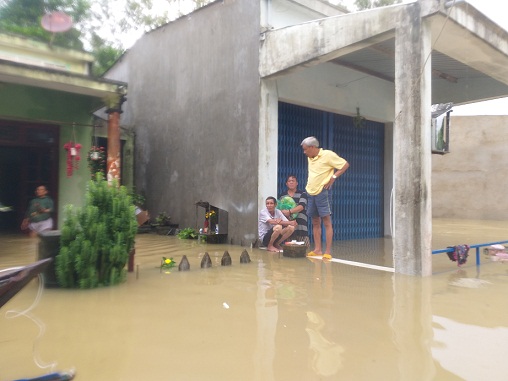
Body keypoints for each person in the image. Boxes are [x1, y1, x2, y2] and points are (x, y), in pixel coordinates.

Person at [301, 136, 349, 260]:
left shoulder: (327, 155)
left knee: (326, 222)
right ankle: (317, 250)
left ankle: (327, 251)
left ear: (312, 147)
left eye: (306, 149)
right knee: (315, 221)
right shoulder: (310, 157)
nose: (304, 152)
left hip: (322, 192)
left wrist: (333, 177)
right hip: (310, 191)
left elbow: (344, 164)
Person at [279, 175, 309, 245]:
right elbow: (280, 209)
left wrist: (289, 212)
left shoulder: (302, 194)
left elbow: (301, 206)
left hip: (301, 225)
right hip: (288, 226)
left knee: (304, 248)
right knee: (289, 248)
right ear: (286, 183)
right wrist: (285, 214)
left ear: (297, 183)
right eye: (289, 181)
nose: (291, 182)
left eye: (293, 181)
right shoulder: (283, 196)